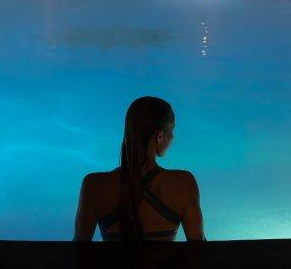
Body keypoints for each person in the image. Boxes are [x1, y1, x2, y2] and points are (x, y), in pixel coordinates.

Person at [74, 96, 205, 241]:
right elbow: (199, 250)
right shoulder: (183, 183)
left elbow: (79, 251)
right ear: (160, 135)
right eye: (172, 129)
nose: (173, 137)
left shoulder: (93, 185)